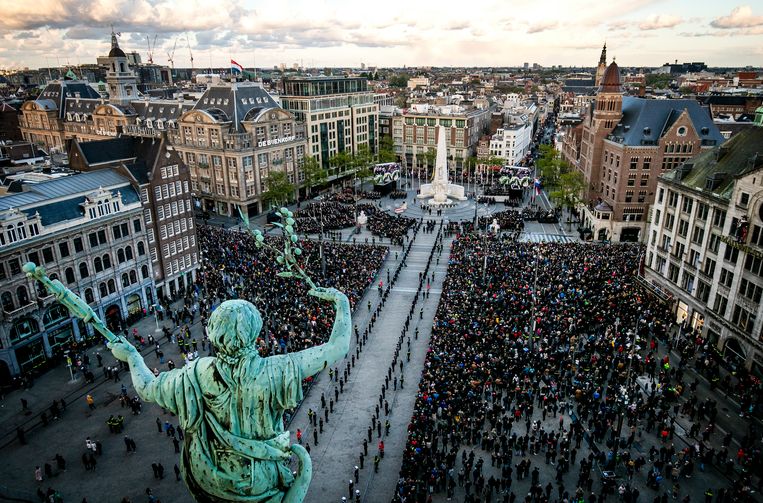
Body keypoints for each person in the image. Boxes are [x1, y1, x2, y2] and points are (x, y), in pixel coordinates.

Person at [107, 287, 352, 502]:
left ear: (213, 333)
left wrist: (132, 357)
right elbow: (338, 347)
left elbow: (147, 388)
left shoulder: (196, 372)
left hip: (211, 480)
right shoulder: (276, 370)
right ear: (255, 330)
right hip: (260, 481)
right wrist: (341, 302)